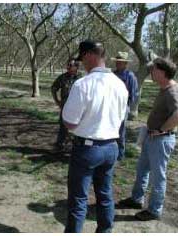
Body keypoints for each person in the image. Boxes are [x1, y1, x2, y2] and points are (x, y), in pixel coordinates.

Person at [62, 40, 128, 233]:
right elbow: (122, 117)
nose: (81, 62)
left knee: (78, 199)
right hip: (110, 147)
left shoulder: (83, 84)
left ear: (90, 55)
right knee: (105, 194)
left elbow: (70, 122)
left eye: (82, 57)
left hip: (87, 148)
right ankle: (105, 231)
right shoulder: (119, 85)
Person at [117, 57, 178, 221]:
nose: (151, 73)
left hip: (161, 140)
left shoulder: (172, 91)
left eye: (153, 70)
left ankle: (154, 210)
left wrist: (161, 130)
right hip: (152, 137)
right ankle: (136, 199)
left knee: (157, 176)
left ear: (162, 72)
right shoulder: (164, 88)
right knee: (142, 170)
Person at [111, 51, 139, 161]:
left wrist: (126, 106)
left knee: (121, 131)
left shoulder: (130, 76)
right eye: (117, 61)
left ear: (125, 64)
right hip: (111, 106)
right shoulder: (112, 74)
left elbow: (134, 93)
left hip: (122, 107)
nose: (118, 63)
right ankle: (112, 152)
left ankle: (120, 154)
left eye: (121, 62)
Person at [51, 59, 81, 151]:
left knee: (78, 127)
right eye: (68, 65)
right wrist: (57, 101)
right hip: (65, 106)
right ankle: (60, 145)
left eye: (70, 65)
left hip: (78, 107)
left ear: (76, 67)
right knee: (63, 126)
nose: (68, 67)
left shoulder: (81, 79)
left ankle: (77, 146)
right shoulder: (63, 77)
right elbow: (54, 88)